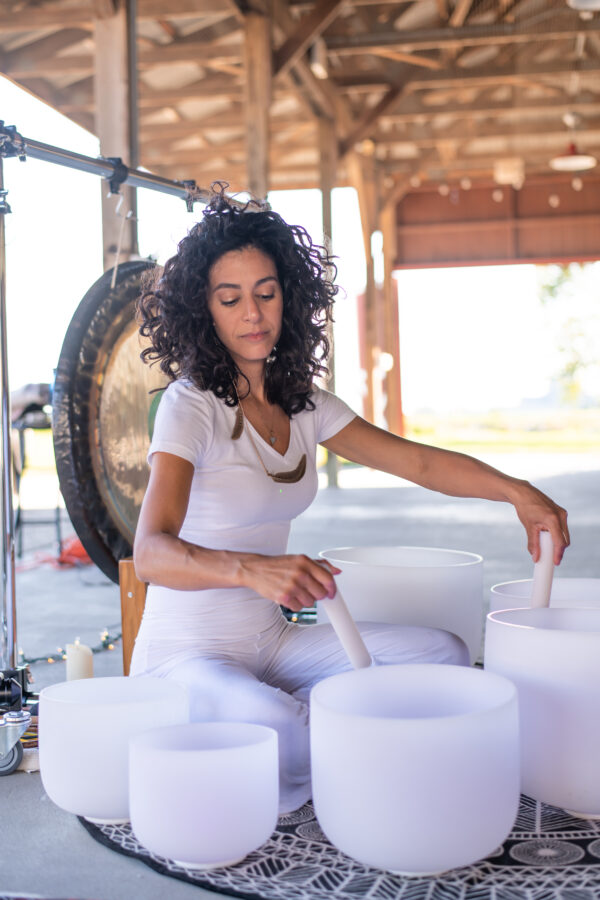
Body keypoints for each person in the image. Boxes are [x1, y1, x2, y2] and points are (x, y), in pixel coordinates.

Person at [131, 187, 569, 814]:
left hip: (273, 644)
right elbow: (151, 554)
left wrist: (517, 493)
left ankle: (340, 745)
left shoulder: (303, 403)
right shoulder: (190, 405)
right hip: (186, 656)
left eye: (266, 293)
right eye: (230, 299)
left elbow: (417, 462)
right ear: (205, 311)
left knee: (443, 656)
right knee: (282, 726)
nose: (252, 314)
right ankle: (341, 753)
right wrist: (255, 570)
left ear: (289, 296)